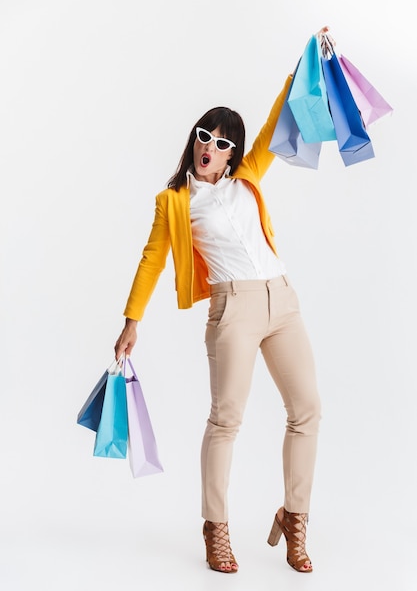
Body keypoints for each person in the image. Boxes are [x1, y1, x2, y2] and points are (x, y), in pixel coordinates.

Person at [114, 52, 322, 574]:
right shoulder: (175, 202)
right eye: (206, 135)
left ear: (233, 155)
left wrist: (301, 70)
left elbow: (278, 122)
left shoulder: (247, 179)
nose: (212, 146)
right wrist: (131, 321)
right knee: (226, 419)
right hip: (233, 309)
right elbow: (151, 260)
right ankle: (216, 529)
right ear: (194, 140)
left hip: (283, 300)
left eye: (224, 142)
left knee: (307, 410)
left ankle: (294, 519)